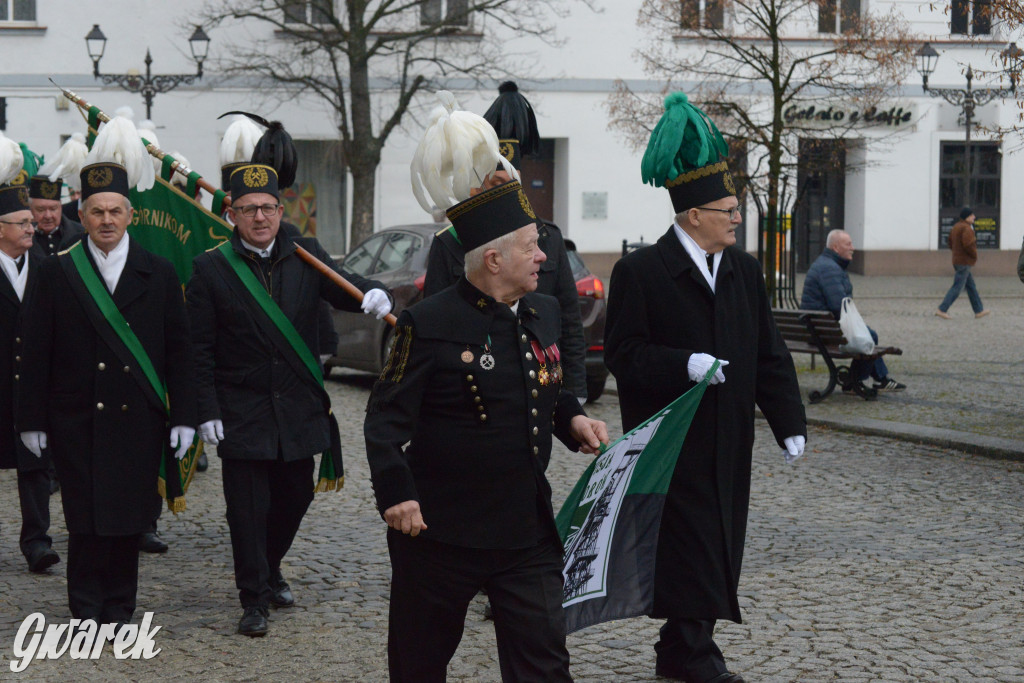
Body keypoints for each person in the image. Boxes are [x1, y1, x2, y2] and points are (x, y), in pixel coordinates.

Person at [365, 178, 609, 683]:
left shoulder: (543, 312)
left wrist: (574, 420)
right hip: (440, 531)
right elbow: (384, 420)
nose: (543, 255)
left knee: (544, 661)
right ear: (493, 260)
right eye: (531, 246)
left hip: (525, 527)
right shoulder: (426, 322)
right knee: (419, 662)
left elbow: (544, 382)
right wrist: (397, 495)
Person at [604, 93, 806, 683]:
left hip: (729, 438)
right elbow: (623, 355)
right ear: (693, 215)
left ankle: (682, 648)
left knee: (720, 544)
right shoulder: (640, 272)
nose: (737, 217)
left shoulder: (742, 270)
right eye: (727, 209)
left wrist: (789, 420)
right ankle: (693, 655)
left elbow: (769, 352)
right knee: (688, 549)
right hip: (674, 440)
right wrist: (683, 364)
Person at [186, 163, 393, 637]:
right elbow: (197, 349)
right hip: (242, 407)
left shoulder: (306, 254)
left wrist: (374, 292)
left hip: (297, 406)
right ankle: (254, 597)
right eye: (248, 209)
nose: (259, 218)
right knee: (246, 506)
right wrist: (206, 408)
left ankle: (269, 563)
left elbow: (343, 285)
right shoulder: (211, 268)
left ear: (281, 211)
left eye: (267, 208)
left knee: (295, 495)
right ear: (232, 215)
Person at [17, 158, 197, 631]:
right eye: (96, 212)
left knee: (129, 514)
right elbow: (36, 351)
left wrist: (185, 416)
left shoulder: (156, 272)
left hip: (137, 415)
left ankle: (120, 607)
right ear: (83, 212)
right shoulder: (58, 271)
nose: (106, 221)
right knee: (84, 515)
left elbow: (180, 351)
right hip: (76, 416)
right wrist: (31, 419)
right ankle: (85, 607)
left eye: (115, 211)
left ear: (130, 214)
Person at [423, 81, 587, 403]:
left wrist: (575, 391)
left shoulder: (548, 238)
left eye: (510, 182)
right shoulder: (450, 243)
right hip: (475, 381)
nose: (503, 190)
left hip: (536, 378)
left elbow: (568, 319)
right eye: (495, 182)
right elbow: (435, 321)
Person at [0, 176, 59, 574]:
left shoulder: (47, 265)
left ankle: (37, 542)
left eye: (30, 221)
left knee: (36, 465)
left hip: (33, 387)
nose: (30, 227)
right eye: (21, 222)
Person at [801, 229, 906, 393]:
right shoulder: (830, 269)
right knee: (869, 336)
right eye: (848, 244)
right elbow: (839, 306)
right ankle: (854, 381)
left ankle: (879, 379)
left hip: (818, 328)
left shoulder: (827, 264)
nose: (853, 248)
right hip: (824, 333)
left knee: (867, 334)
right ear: (836, 248)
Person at [936, 207, 990, 319]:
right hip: (964, 262)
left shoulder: (956, 227)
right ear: (966, 217)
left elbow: (949, 242)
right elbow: (968, 245)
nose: (974, 217)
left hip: (957, 260)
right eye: (972, 215)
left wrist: (956, 252)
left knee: (971, 287)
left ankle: (979, 310)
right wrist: (974, 255)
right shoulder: (967, 229)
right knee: (957, 287)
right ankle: (942, 309)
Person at [27, 175, 84, 258]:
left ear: (60, 207)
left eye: (53, 209)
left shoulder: (80, 233)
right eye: (41, 210)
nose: (48, 216)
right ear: (30, 209)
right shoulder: (21, 237)